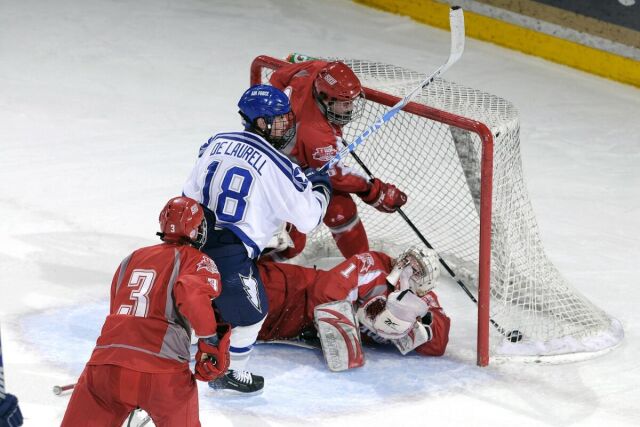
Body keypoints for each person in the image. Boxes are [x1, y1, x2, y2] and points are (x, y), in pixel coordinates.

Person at [182, 84, 331, 395]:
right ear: (260, 122)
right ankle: (231, 372)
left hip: (189, 241)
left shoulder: (215, 142)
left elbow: (188, 195)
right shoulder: (280, 165)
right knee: (253, 314)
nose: (286, 124)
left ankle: (172, 349)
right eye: (279, 119)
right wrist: (319, 187)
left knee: (186, 300)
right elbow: (308, 219)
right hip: (228, 251)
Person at [61, 197, 230, 427]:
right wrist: (210, 339)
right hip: (162, 373)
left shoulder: (131, 258)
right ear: (196, 230)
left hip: (105, 366)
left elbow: (117, 306)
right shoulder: (197, 260)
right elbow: (190, 294)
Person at [270, 59, 408, 259]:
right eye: (345, 104)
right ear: (325, 99)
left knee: (340, 208)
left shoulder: (316, 68)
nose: (350, 108)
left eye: (351, 101)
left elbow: (277, 77)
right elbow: (337, 176)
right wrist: (374, 191)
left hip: (279, 151)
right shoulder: (317, 134)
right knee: (293, 241)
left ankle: (361, 267)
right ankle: (260, 270)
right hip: (285, 174)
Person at [257, 245, 450, 358]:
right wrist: (352, 324)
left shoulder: (423, 300)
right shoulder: (373, 264)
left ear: (424, 286)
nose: (408, 268)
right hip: (291, 291)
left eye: (417, 270)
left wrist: (411, 326)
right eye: (408, 261)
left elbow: (438, 344)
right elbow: (324, 292)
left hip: (290, 323)